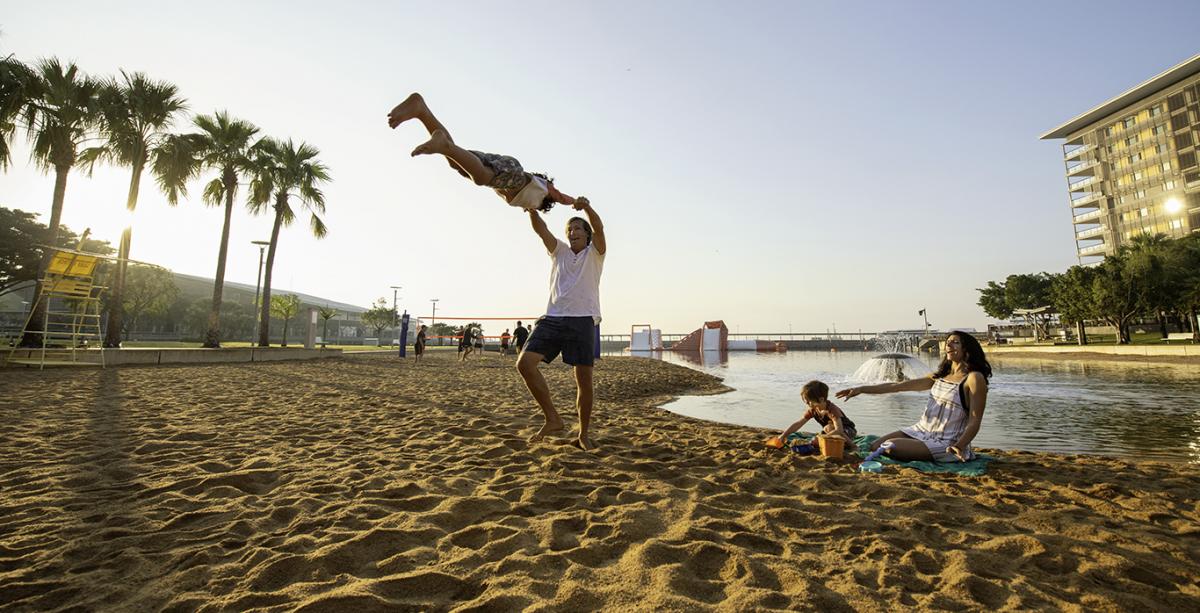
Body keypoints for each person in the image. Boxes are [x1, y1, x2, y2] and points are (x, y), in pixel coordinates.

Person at [388, 93, 581, 213]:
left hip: (505, 166)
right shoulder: (543, 190)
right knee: (480, 178)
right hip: (513, 173)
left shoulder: (528, 202)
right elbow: (561, 197)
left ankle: (422, 111)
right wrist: (577, 203)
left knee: (457, 163)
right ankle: (444, 146)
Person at [517, 198, 606, 450]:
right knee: (524, 364)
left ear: (587, 235)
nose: (573, 232)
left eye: (578, 228)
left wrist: (587, 208)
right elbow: (541, 230)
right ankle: (553, 418)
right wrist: (532, 210)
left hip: (583, 319)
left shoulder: (595, 254)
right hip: (553, 318)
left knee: (584, 380)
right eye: (570, 229)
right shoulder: (560, 251)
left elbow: (599, 228)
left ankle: (583, 434)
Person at [835, 331, 991, 462]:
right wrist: (861, 389)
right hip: (921, 430)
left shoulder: (974, 378)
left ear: (967, 349)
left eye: (955, 342)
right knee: (876, 445)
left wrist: (960, 445)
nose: (948, 345)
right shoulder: (940, 376)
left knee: (889, 446)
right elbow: (896, 386)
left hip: (947, 442)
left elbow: (974, 421)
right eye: (948, 342)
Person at [777, 380, 857, 451]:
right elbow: (799, 423)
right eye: (805, 400)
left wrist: (821, 438)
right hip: (831, 432)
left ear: (821, 399)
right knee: (823, 433)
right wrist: (783, 435)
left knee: (828, 428)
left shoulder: (832, 409)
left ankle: (853, 446)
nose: (806, 403)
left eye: (809, 401)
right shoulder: (813, 409)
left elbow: (839, 430)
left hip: (847, 431)